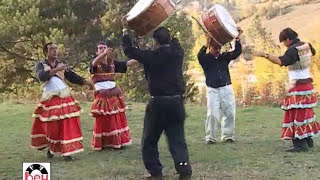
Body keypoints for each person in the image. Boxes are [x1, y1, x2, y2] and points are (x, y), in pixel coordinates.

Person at [121, 17, 192, 179]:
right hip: (176, 101)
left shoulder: (151, 56)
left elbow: (129, 51)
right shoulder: (177, 53)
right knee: (177, 138)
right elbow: (175, 41)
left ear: (155, 42)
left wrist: (126, 30)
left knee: (150, 139)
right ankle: (184, 170)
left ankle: (156, 172)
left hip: (159, 102)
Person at [253, 27, 320, 152]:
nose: (284, 45)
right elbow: (313, 54)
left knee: (295, 114)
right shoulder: (307, 45)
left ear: (288, 39)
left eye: (284, 42)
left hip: (297, 86)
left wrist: (265, 55)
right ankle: (307, 136)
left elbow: (280, 61)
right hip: (307, 85)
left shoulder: (292, 50)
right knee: (306, 113)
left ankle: (300, 144)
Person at [31, 42, 93, 161]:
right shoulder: (41, 64)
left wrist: (86, 83)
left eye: (56, 49)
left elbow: (72, 77)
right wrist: (57, 69)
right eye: (52, 49)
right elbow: (41, 76)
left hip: (65, 97)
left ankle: (67, 151)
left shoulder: (61, 65)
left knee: (66, 124)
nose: (55, 51)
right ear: (46, 52)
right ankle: (51, 147)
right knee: (52, 126)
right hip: (50, 99)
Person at [197, 29, 242, 144]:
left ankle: (228, 135)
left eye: (219, 48)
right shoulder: (205, 59)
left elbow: (236, 52)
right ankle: (210, 137)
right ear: (210, 48)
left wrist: (237, 39)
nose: (217, 50)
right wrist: (206, 43)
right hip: (212, 89)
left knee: (230, 112)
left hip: (226, 87)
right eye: (215, 48)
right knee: (212, 113)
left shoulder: (224, 57)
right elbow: (199, 55)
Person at [90, 41, 137, 150]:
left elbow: (128, 64)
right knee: (103, 120)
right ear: (96, 52)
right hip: (102, 96)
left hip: (114, 95)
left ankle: (116, 141)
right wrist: (104, 53)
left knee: (115, 119)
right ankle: (103, 143)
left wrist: (141, 56)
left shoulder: (112, 63)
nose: (102, 50)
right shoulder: (94, 63)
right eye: (100, 48)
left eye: (104, 48)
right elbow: (95, 63)